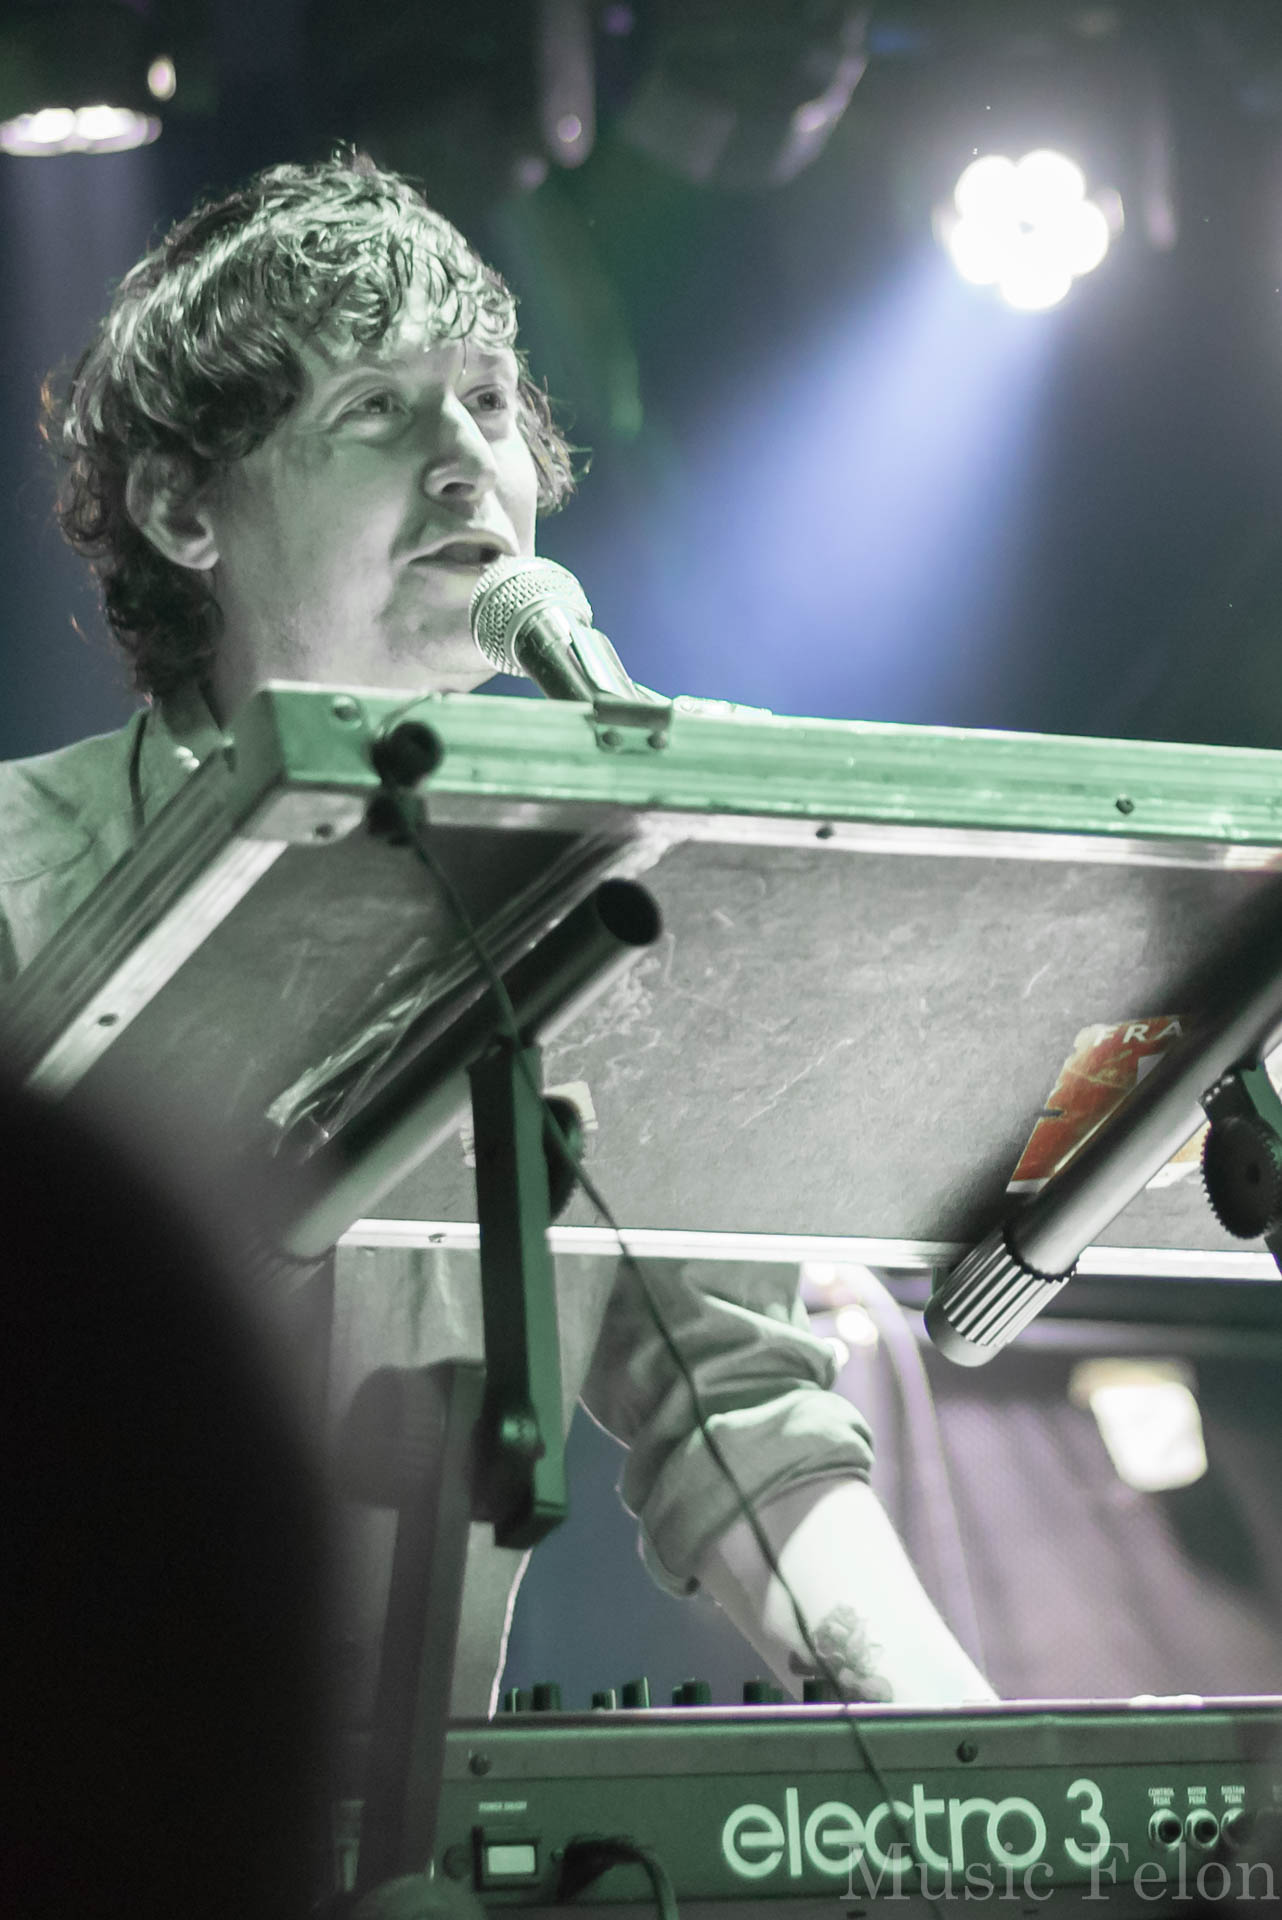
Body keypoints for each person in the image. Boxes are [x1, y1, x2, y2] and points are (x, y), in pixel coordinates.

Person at [0, 153, 993, 1721]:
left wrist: (976, 1764)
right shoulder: (17, 879)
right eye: (374, 410)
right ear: (186, 511)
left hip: (401, 1824)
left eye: (483, 402)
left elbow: (735, 1414)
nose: (467, 460)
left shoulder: (612, 882)